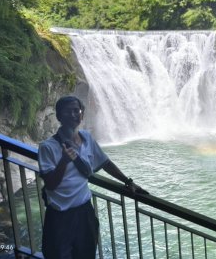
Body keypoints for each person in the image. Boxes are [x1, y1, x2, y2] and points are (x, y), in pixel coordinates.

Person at [38, 96, 147, 259]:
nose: (74, 115)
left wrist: (128, 182)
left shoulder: (87, 138)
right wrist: (63, 161)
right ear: (59, 116)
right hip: (59, 216)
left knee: (87, 254)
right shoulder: (47, 147)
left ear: (82, 115)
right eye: (68, 111)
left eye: (77, 111)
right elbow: (51, 184)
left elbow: (104, 162)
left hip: (84, 211)